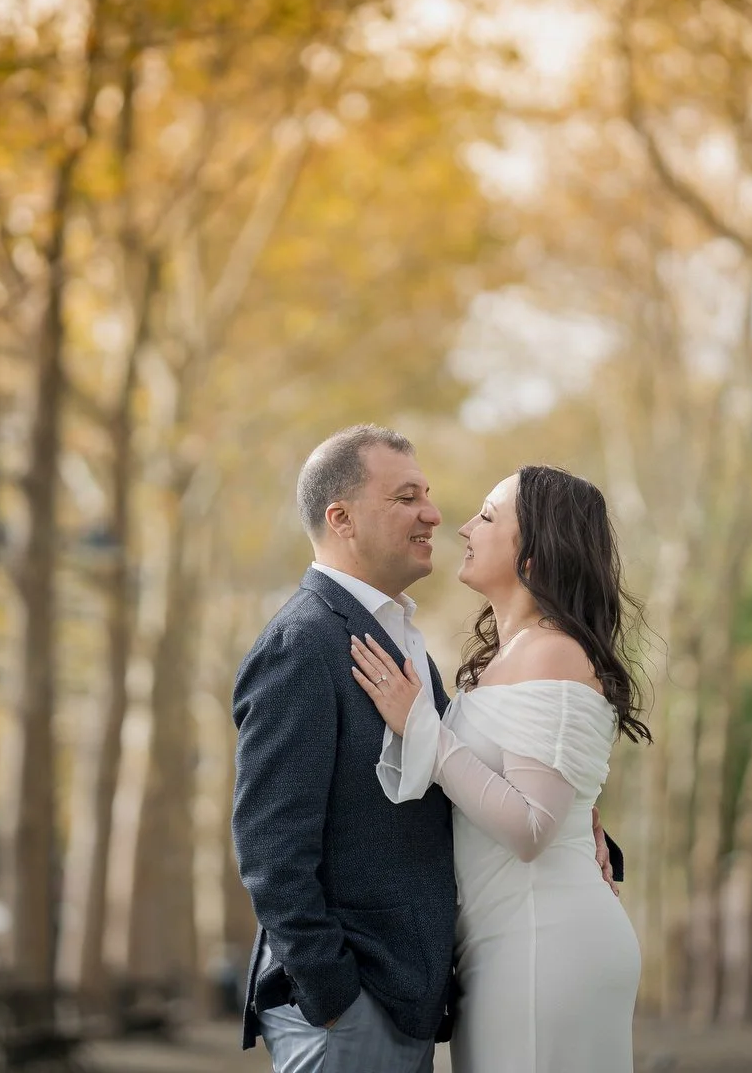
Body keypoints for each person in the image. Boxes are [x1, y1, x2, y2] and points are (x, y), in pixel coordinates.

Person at [230, 427, 618, 1072]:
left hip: (414, 997)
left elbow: (464, 784)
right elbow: (270, 847)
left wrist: (577, 826)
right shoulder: (303, 644)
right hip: (351, 1006)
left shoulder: (402, 641)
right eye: (407, 497)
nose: (435, 515)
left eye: (428, 495)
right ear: (341, 519)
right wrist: (334, 994)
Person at [354, 463, 647, 1073]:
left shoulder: (552, 652)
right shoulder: (517, 655)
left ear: (533, 557)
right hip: (506, 940)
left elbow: (531, 827)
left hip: (542, 943)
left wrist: (423, 731)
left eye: (487, 517)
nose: (464, 527)